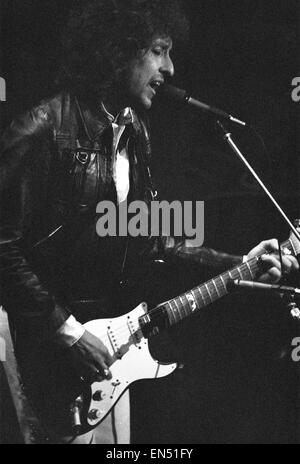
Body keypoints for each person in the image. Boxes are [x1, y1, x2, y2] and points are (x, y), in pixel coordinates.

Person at [0, 0, 298, 444]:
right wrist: (68, 333)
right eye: (160, 50)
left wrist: (240, 261)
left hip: (110, 351)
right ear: (118, 49)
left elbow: (151, 236)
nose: (171, 68)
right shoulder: (44, 127)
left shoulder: (134, 130)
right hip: (49, 353)